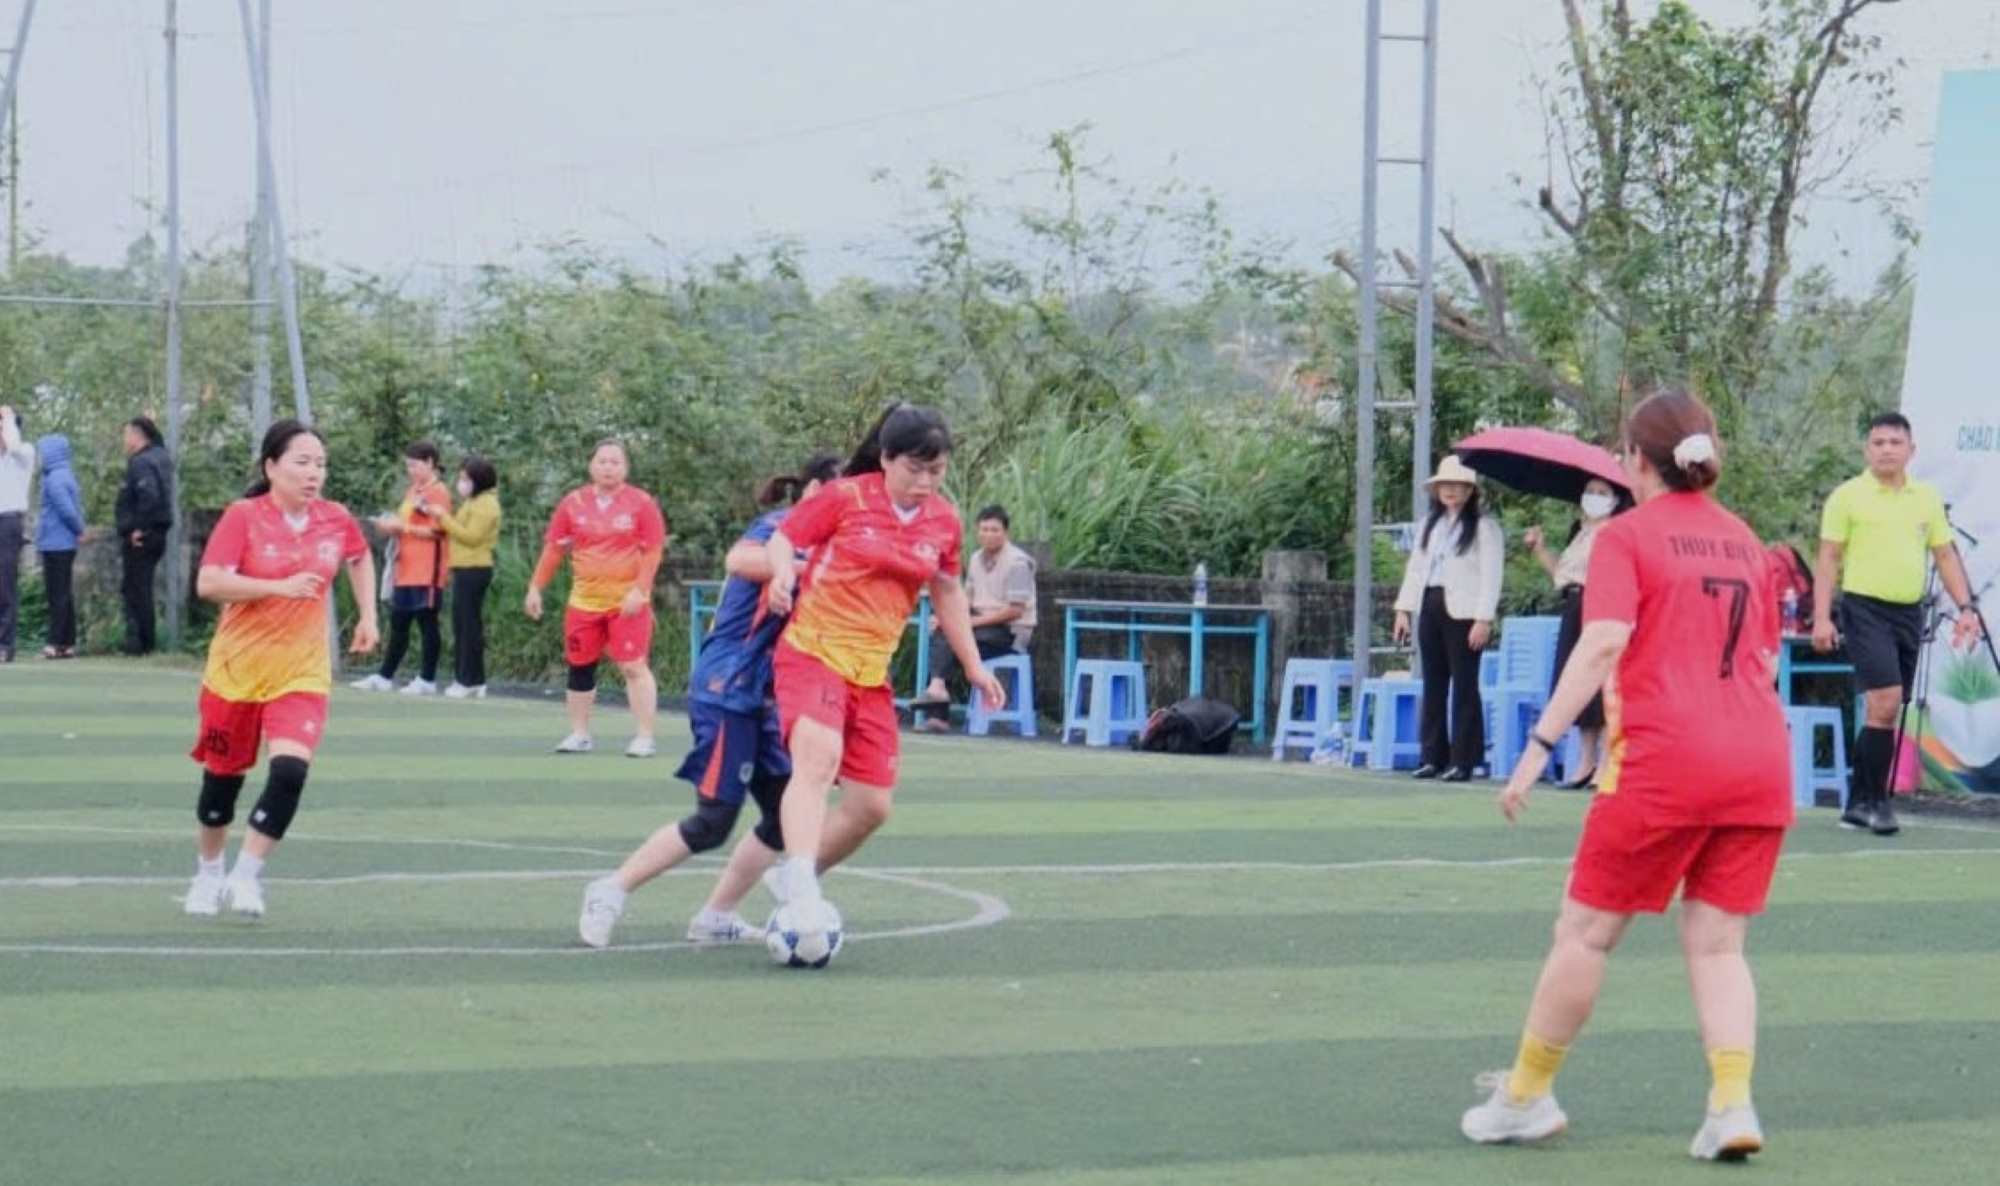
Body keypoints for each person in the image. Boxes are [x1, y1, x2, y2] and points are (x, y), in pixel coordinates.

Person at [1460, 390, 1792, 1162]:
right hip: (1758, 762)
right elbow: (1767, 662)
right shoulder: (1745, 540)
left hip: (1666, 761)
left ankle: (1525, 1096)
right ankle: (1732, 1103)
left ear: (1634, 461)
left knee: (1584, 933)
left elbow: (1604, 640)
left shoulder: (1626, 537)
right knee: (1718, 947)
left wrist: (1539, 746)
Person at [578, 454, 844, 948]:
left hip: (764, 696)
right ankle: (610, 889)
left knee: (788, 817)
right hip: (728, 688)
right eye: (836, 494)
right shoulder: (779, 527)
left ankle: (716, 916)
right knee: (713, 821)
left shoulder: (830, 545)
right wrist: (801, 570)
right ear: (812, 492)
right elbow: (742, 558)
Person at [761, 404, 1005, 936]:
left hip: (869, 674)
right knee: (817, 760)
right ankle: (803, 893)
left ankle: (794, 879)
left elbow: (946, 591)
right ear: (887, 459)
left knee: (872, 807)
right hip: (813, 650)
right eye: (914, 469)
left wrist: (974, 665)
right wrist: (781, 573)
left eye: (936, 471)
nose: (925, 482)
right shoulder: (845, 496)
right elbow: (783, 539)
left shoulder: (944, 520)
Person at [183, 420, 379, 919]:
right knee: (220, 789)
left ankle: (247, 875)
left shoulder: (335, 518)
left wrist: (368, 615)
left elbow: (358, 557)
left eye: (320, 464)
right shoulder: (243, 516)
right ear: (272, 466)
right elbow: (209, 582)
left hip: (302, 671)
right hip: (237, 671)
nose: (314, 473)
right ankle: (208, 872)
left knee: (290, 771)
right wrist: (276, 587)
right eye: (302, 462)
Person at [1812, 412, 1982, 836]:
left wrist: (1965, 608)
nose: (1886, 449)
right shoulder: (1848, 497)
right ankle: (1878, 802)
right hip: (1864, 608)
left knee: (1889, 709)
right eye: (1878, 442)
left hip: (1909, 612)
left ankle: (1857, 802)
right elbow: (1829, 559)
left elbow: (1944, 555)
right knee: (1884, 701)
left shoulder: (1925, 498)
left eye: (1894, 442)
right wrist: (1820, 618)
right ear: (1867, 449)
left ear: (1911, 450)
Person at [525, 439, 668, 757]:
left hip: (626, 604)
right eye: (602, 461)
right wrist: (536, 587)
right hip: (583, 602)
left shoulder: (641, 503)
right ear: (591, 465)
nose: (608, 467)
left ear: (625, 468)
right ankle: (579, 734)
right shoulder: (572, 503)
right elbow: (554, 548)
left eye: (615, 462)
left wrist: (639, 590)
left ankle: (644, 736)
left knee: (633, 666)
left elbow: (653, 551)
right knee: (580, 666)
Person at [1392, 455, 1504, 781]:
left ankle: (1463, 759)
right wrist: (1404, 609)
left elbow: (1491, 576)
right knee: (1434, 683)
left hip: (1465, 612)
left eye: (1457, 485)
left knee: (1465, 685)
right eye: (1445, 485)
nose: (1450, 491)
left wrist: (1484, 618)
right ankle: (1432, 756)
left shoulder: (1484, 527)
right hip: (1431, 604)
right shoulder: (1429, 525)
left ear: (1470, 490)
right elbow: (1416, 569)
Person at [1522, 478, 1628, 788]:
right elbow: (1564, 576)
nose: (1594, 498)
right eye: (1590, 492)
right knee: (1575, 678)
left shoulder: (1614, 531)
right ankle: (1585, 760)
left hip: (1599, 602)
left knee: (1600, 680)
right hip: (1572, 604)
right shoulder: (1580, 532)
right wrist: (1540, 550)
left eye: (1602, 493)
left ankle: (1606, 763)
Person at [913, 503, 1037, 731]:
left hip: (1010, 631)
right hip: (979, 624)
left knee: (953, 635)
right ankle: (937, 703)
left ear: (1005, 533)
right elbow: (965, 599)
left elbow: (1015, 611)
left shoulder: (1018, 562)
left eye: (994, 530)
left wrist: (968, 623)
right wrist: (947, 618)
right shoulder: (975, 558)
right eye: (984, 530)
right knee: (944, 629)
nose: (988, 535)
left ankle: (937, 698)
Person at [352, 441, 452, 695]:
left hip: (427, 569)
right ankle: (385, 675)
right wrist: (390, 525)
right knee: (399, 621)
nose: (411, 470)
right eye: (408, 465)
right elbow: (405, 523)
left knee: (427, 621)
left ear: (430, 463)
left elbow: (440, 531)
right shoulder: (412, 491)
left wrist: (403, 528)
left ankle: (427, 679)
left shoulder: (439, 492)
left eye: (415, 465)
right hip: (405, 567)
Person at [423, 454, 502, 699]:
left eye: (466, 479)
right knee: (464, 624)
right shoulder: (473, 501)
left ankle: (467, 680)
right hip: (464, 568)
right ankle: (472, 679)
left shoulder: (487, 505)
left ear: (479, 480)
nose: (461, 483)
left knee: (468, 625)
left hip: (475, 569)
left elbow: (471, 537)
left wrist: (442, 517)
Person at [114, 416, 174, 656]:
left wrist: (138, 528)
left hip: (143, 534)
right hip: (157, 532)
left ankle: (139, 644)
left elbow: (148, 495)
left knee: (135, 588)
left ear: (138, 436)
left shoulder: (141, 463)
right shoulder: (161, 457)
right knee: (142, 586)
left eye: (127, 434)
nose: (124, 440)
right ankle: (144, 642)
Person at [34, 432, 86, 659]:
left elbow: (66, 509)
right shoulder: (66, 475)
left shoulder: (54, 478)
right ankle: (67, 642)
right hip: (64, 543)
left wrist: (79, 529)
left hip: (56, 543)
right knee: (64, 593)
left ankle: (55, 642)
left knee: (57, 593)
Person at [0, 405, 34, 663]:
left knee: (4, 583)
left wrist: (8, 417)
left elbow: (12, 446)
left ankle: (5, 643)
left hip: (8, 521)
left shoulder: (23, 453)